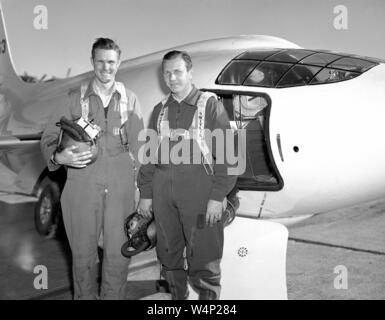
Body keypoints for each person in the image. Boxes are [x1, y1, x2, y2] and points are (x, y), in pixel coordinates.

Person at [40, 38, 144, 299]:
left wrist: (146, 197)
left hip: (121, 188)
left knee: (118, 258)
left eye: (111, 62)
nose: (105, 67)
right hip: (81, 187)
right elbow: (49, 138)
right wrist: (58, 158)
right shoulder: (74, 100)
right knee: (83, 258)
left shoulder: (131, 99)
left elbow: (142, 149)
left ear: (118, 63)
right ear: (92, 62)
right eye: (100, 61)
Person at [137, 50, 237, 300]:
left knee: (204, 257)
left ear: (190, 73)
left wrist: (217, 196)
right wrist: (146, 194)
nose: (172, 78)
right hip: (163, 197)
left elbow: (229, 158)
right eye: (167, 73)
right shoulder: (159, 111)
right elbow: (149, 157)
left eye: (178, 71)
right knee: (168, 255)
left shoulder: (210, 105)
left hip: (200, 196)